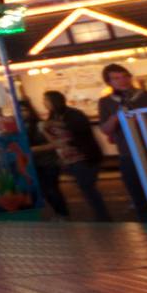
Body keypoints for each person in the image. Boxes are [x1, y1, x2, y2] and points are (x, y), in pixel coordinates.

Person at [92, 65, 147, 223]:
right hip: (127, 154)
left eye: (125, 76)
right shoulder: (106, 102)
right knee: (138, 197)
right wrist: (116, 118)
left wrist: (141, 120)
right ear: (109, 82)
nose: (122, 81)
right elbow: (105, 129)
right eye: (116, 78)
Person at [42, 91, 109, 221]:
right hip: (69, 157)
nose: (44, 103)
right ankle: (101, 215)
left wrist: (54, 126)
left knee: (87, 188)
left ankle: (103, 216)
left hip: (83, 156)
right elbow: (53, 138)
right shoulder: (53, 117)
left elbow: (79, 129)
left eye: (46, 100)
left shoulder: (73, 114)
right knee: (86, 188)